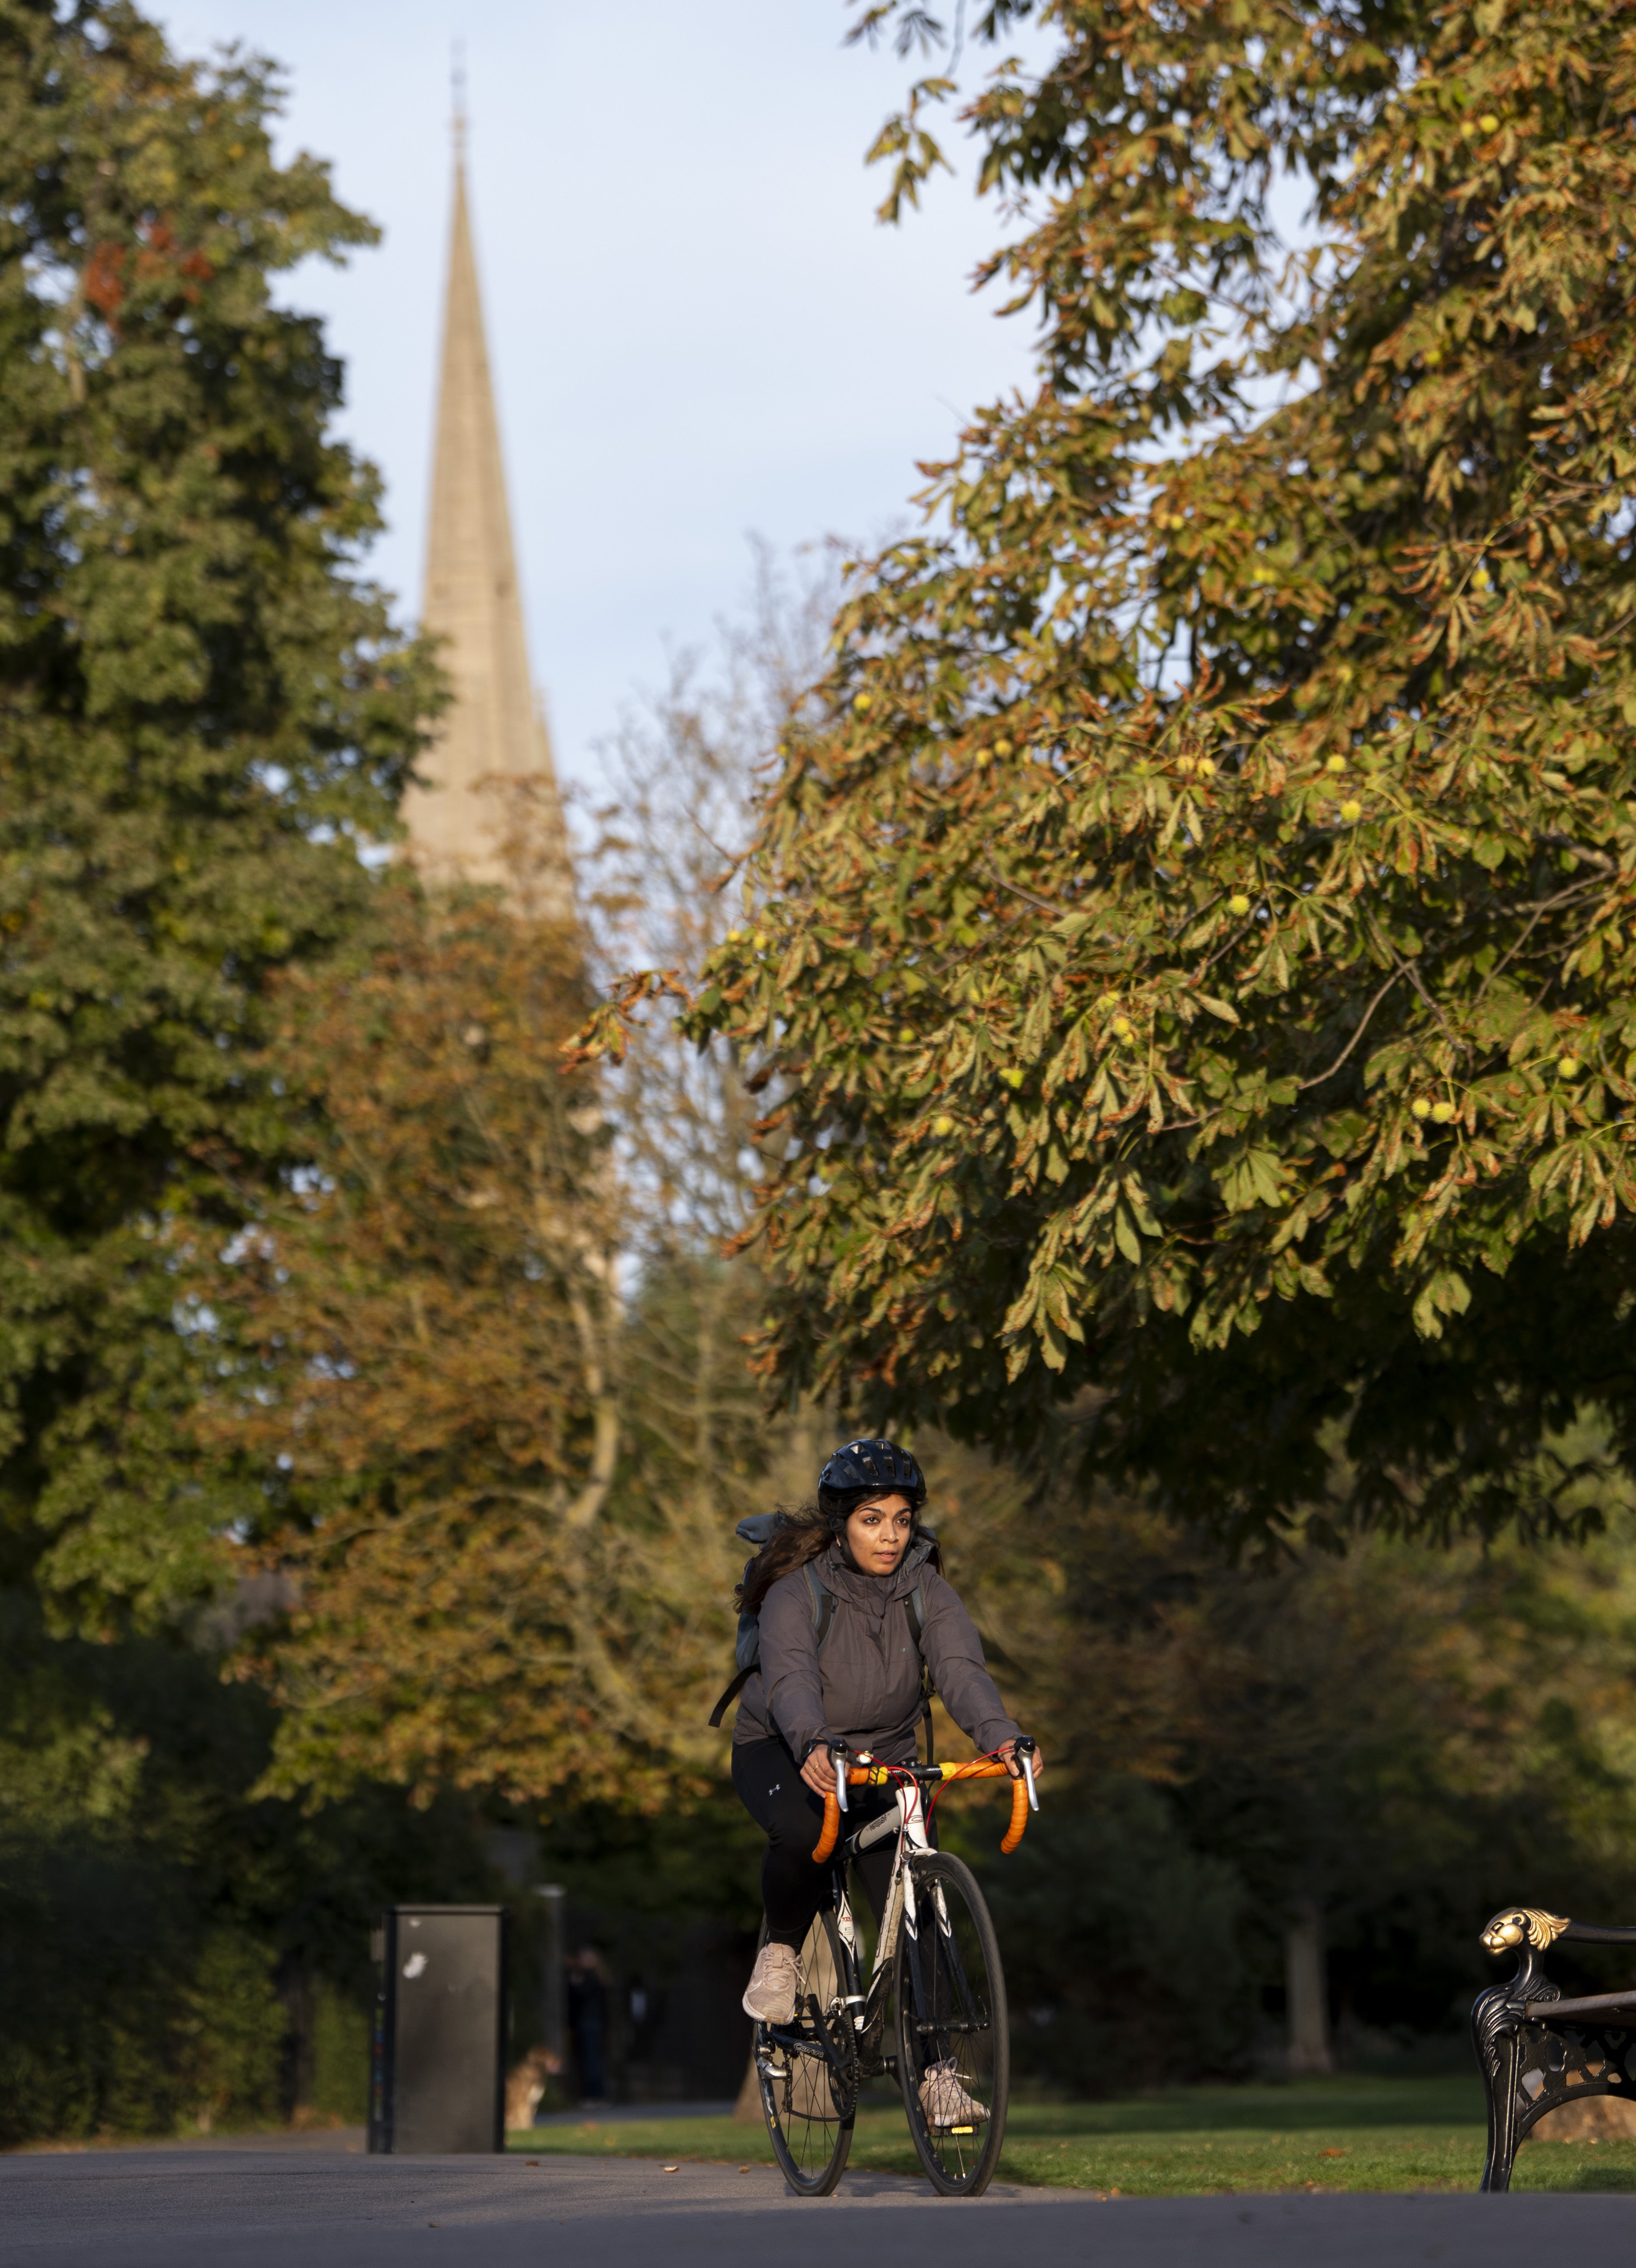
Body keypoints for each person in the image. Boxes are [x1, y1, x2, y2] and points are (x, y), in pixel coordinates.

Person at [732, 1437, 1043, 2032]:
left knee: (920, 1912)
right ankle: (780, 1953)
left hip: (883, 1761)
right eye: (872, 1520)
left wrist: (1002, 1738)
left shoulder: (928, 1590)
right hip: (783, 1748)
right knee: (800, 1832)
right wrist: (812, 1744)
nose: (890, 1536)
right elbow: (791, 1680)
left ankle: (938, 2079)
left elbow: (960, 1671)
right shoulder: (795, 1595)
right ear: (841, 1523)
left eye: (902, 1520)